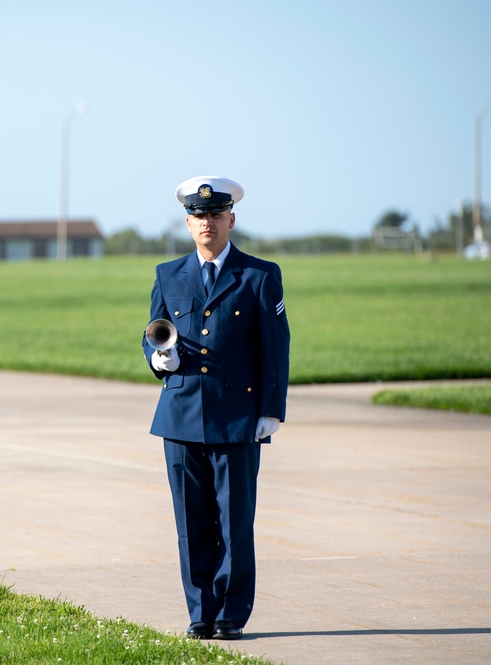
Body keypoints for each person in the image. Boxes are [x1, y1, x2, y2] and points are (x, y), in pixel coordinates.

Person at [142, 175, 290, 641]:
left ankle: (230, 614)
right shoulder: (168, 274)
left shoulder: (260, 274)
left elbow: (276, 346)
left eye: (215, 215)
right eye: (199, 216)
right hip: (180, 413)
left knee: (234, 521)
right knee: (190, 522)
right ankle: (200, 613)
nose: (207, 222)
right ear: (188, 223)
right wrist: (157, 358)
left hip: (237, 417)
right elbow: (150, 333)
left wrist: (271, 409)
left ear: (231, 219)